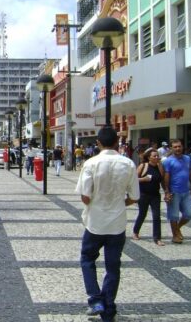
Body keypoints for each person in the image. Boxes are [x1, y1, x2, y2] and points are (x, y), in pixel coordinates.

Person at [75, 126, 140, 322]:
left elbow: (85, 197)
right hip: (117, 224)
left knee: (87, 259)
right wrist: (120, 202)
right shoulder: (128, 164)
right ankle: (108, 309)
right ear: (116, 142)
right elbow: (135, 197)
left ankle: (95, 299)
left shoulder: (91, 163)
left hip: (95, 222)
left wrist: (97, 202)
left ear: (98, 143)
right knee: (113, 267)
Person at [163, 139, 191, 244]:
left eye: (179, 146)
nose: (178, 148)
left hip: (186, 192)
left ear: (182, 147)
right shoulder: (168, 161)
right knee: (174, 215)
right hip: (174, 192)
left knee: (188, 214)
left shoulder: (187, 159)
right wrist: (167, 191)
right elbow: (166, 177)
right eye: (175, 147)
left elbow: (190, 173)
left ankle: (177, 228)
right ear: (172, 148)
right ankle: (175, 236)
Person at [132, 148, 166, 246]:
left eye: (157, 156)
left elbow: (162, 180)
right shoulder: (143, 166)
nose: (156, 157)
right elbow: (134, 179)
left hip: (155, 195)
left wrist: (166, 191)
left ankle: (157, 238)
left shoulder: (159, 166)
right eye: (154, 156)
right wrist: (144, 179)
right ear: (148, 157)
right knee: (142, 214)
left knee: (157, 216)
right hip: (143, 195)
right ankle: (135, 231)